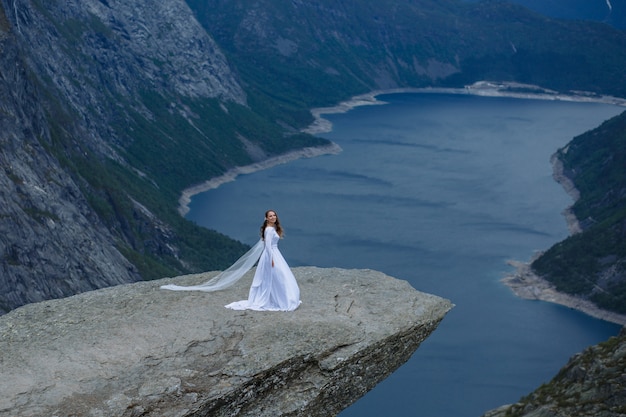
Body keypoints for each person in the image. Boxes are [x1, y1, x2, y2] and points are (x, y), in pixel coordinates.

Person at [160, 210, 301, 311]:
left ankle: (278, 299)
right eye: (270, 216)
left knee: (277, 278)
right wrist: (271, 260)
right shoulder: (269, 230)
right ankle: (281, 300)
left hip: (274, 255)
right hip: (272, 256)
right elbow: (268, 246)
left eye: (274, 215)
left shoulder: (272, 228)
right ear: (266, 218)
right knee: (279, 277)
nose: (273, 217)